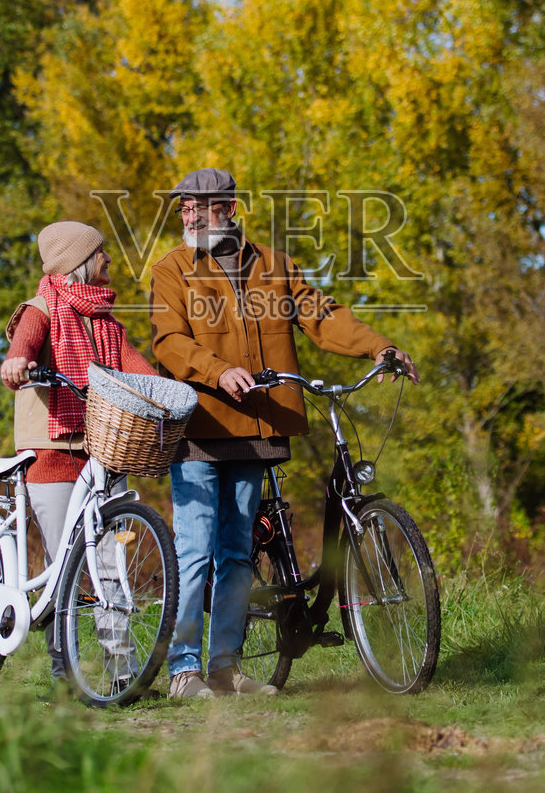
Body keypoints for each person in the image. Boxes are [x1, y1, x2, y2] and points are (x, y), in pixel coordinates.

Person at [150, 168, 418, 698]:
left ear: (228, 209)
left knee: (236, 553)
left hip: (256, 429)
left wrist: (378, 346)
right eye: (183, 208)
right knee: (196, 551)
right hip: (200, 427)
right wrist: (217, 371)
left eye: (199, 207)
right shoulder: (171, 269)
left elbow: (323, 316)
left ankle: (224, 669)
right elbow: (169, 341)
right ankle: (183, 670)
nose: (189, 216)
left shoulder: (275, 266)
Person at [0, 220, 157, 680]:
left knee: (110, 561)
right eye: (100, 251)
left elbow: (140, 373)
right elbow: (25, 340)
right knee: (63, 566)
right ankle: (63, 671)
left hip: (104, 450)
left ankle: (122, 670)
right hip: (51, 453)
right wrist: (18, 361)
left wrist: (170, 394)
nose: (108, 258)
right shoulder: (41, 308)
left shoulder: (107, 324)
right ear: (79, 260)